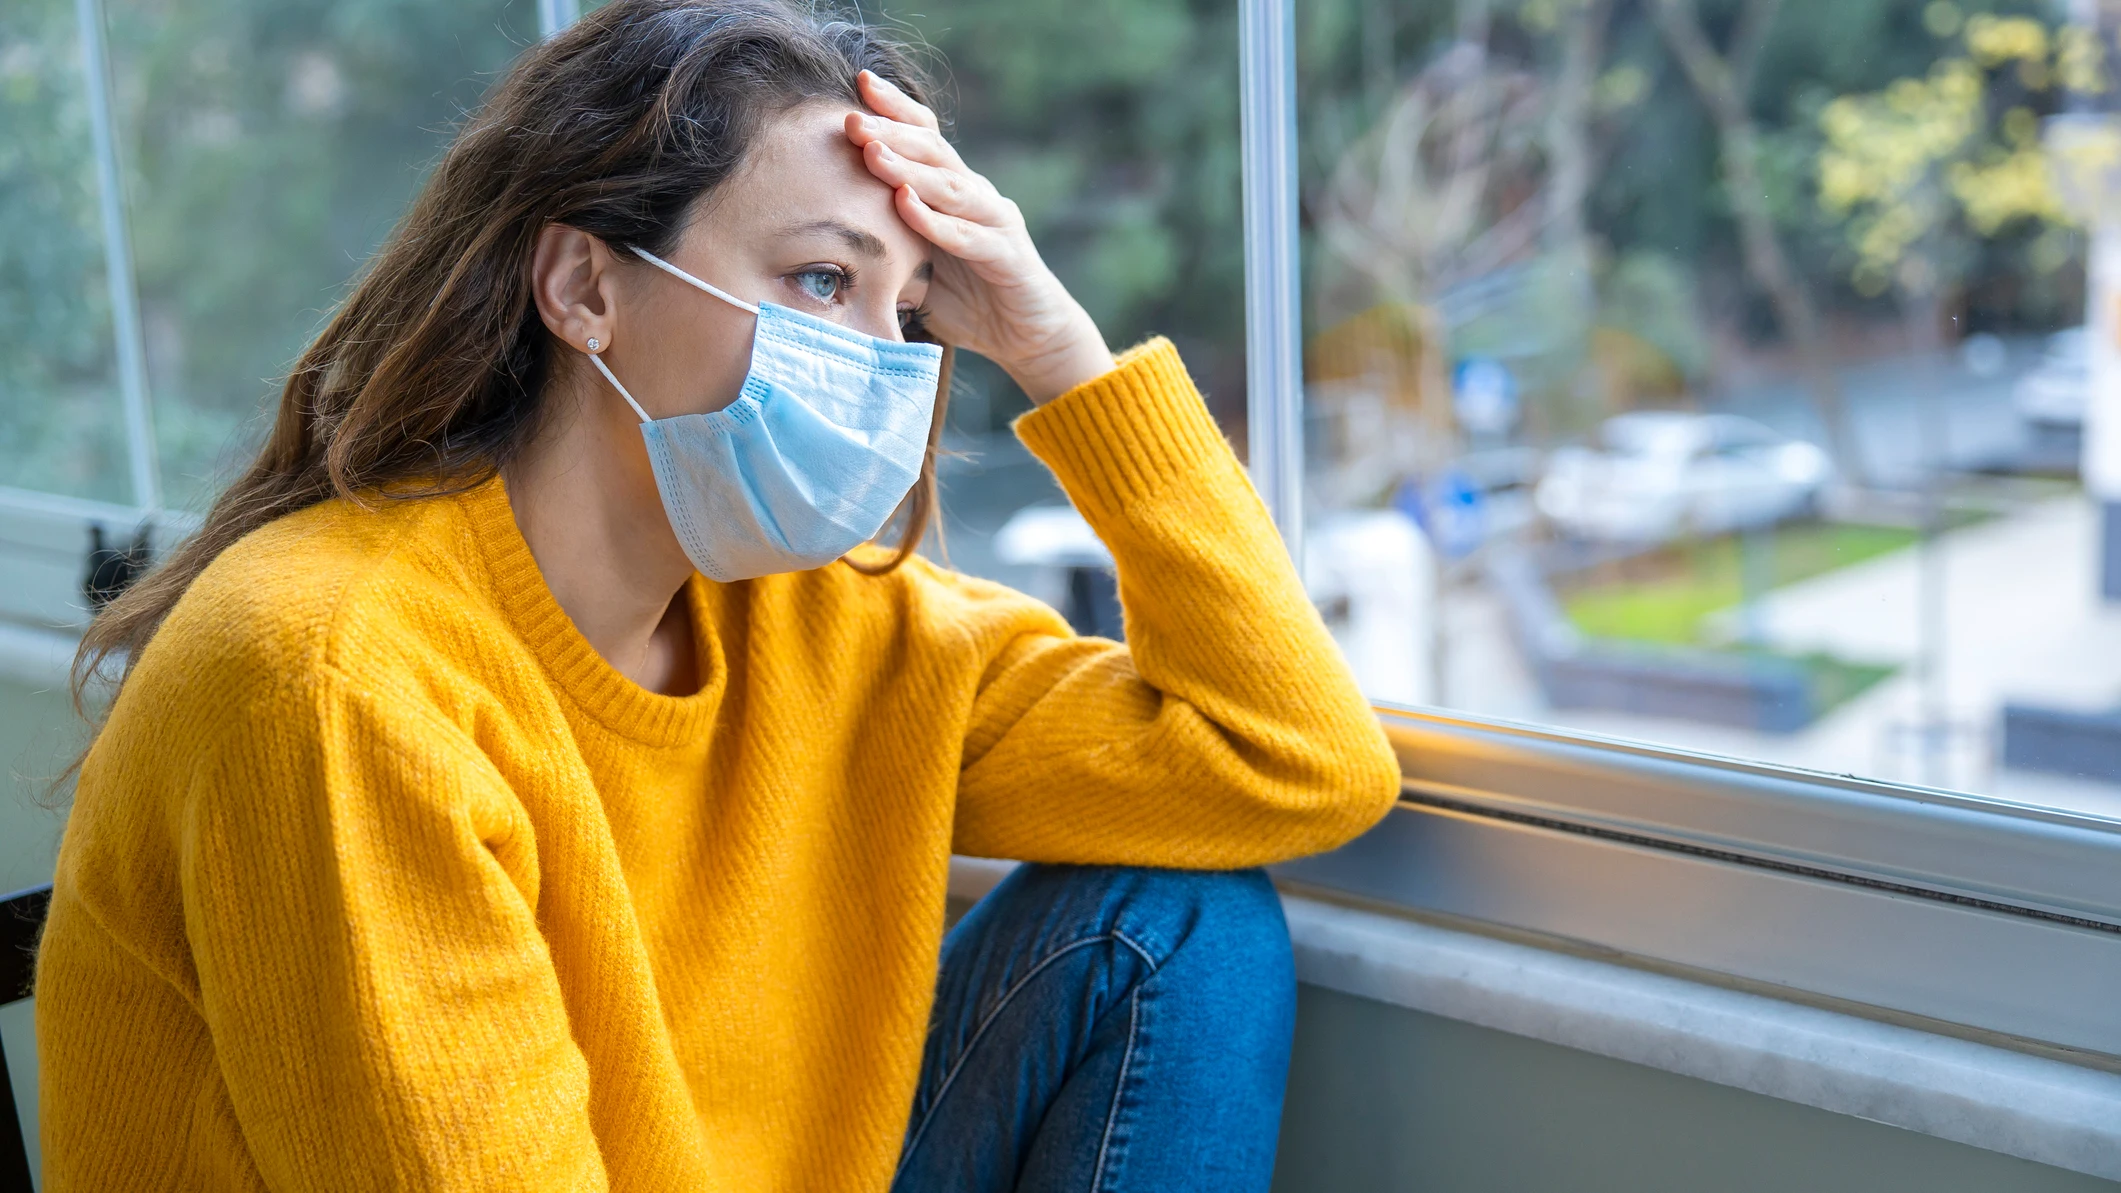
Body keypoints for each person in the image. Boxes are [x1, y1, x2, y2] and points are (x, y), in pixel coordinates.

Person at [34, 1, 1400, 1188]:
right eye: (820, 280)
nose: (883, 361)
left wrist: (1060, 351)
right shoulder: (331, 677)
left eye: (912, 308)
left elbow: (1288, 765)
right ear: (582, 287)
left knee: (1182, 924)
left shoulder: (820, 613)